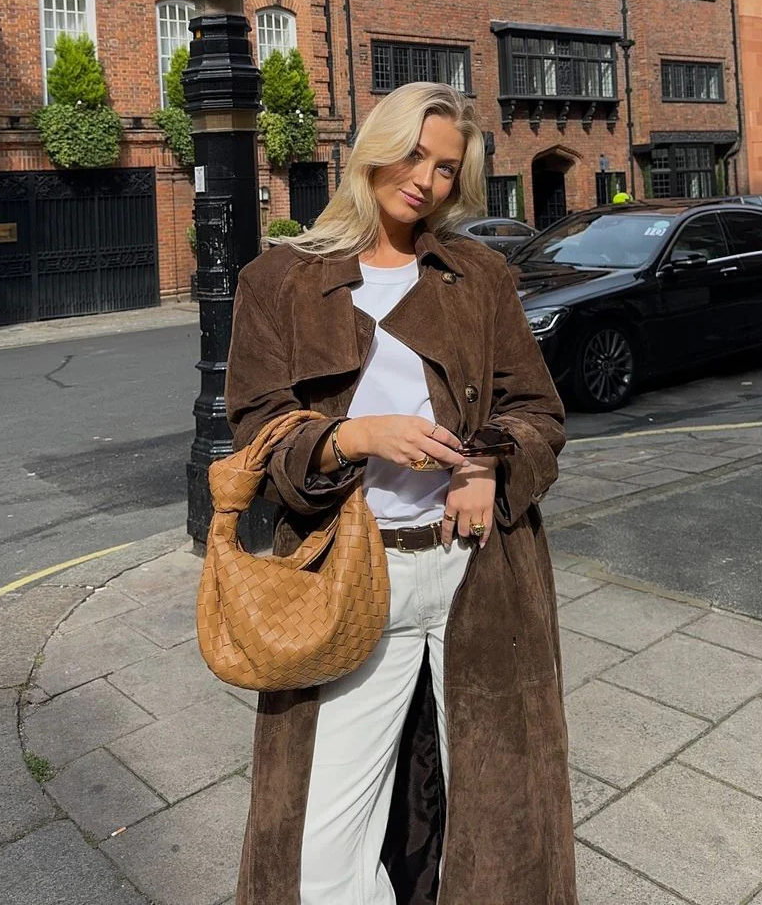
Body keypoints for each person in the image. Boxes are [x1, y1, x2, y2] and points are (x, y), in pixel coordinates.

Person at [225, 82, 577, 905]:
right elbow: (257, 430)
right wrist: (354, 436)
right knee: (316, 844)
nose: (425, 179)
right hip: (351, 576)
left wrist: (486, 466)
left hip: (478, 572)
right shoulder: (279, 279)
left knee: (503, 824)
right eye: (413, 154)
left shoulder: (478, 275)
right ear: (372, 150)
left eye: (446, 168)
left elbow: (538, 411)